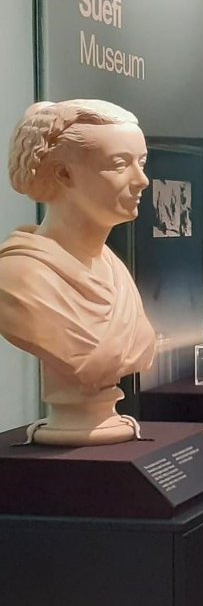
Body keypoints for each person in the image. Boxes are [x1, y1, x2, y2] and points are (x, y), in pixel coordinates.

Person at [0, 99, 155, 446]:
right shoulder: (20, 278)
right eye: (119, 165)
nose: (141, 180)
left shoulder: (115, 273)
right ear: (63, 173)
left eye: (142, 162)